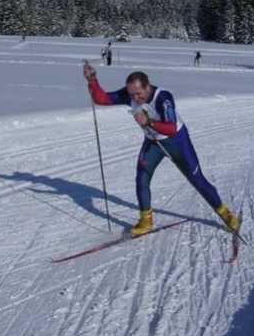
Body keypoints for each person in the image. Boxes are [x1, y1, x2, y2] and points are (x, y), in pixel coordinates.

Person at [82, 62, 240, 236]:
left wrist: (148, 121)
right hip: (153, 142)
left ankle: (226, 215)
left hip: (177, 142)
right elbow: (101, 99)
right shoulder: (131, 94)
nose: (135, 98)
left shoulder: (163, 98)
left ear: (147, 86)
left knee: (197, 180)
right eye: (131, 94)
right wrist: (92, 79)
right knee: (142, 177)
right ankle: (146, 220)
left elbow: (171, 128)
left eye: (138, 94)